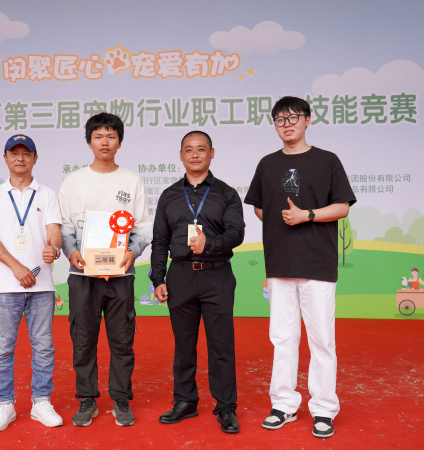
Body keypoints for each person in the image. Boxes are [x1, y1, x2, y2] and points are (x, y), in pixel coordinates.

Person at [244, 96, 356, 439]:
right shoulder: (267, 163)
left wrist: (306, 215)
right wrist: (281, 220)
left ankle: (323, 409)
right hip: (279, 263)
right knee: (283, 339)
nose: (287, 124)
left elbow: (342, 207)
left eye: (293, 117)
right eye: (280, 119)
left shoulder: (327, 160)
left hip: (317, 263)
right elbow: (259, 207)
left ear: (308, 120)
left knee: (322, 340)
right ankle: (283, 404)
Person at [58, 112, 152, 427]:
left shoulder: (131, 181)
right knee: (83, 338)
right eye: (98, 136)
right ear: (89, 142)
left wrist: (132, 252)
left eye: (111, 136)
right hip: (82, 275)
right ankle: (87, 398)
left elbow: (143, 228)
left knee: (122, 339)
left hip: (120, 275)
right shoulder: (73, 181)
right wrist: (71, 252)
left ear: (120, 142)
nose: (105, 142)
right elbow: (65, 227)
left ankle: (121, 399)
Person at [150, 130, 245, 434]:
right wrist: (158, 278)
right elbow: (160, 240)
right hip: (180, 275)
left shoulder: (227, 193)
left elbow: (237, 233)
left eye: (201, 149)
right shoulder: (169, 195)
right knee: (183, 344)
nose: (195, 154)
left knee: (221, 344)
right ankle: (185, 401)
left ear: (211, 153)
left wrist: (210, 244)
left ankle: (226, 407)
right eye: (189, 149)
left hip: (217, 274)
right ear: (181, 155)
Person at [0, 134, 64, 431]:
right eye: (14, 153)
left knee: (44, 347)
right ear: (5, 158)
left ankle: (41, 402)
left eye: (25, 153)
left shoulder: (47, 194)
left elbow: (54, 232)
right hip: (5, 286)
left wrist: (54, 248)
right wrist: (16, 267)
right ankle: (4, 405)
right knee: (3, 348)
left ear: (35, 158)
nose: (20, 158)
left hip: (42, 287)